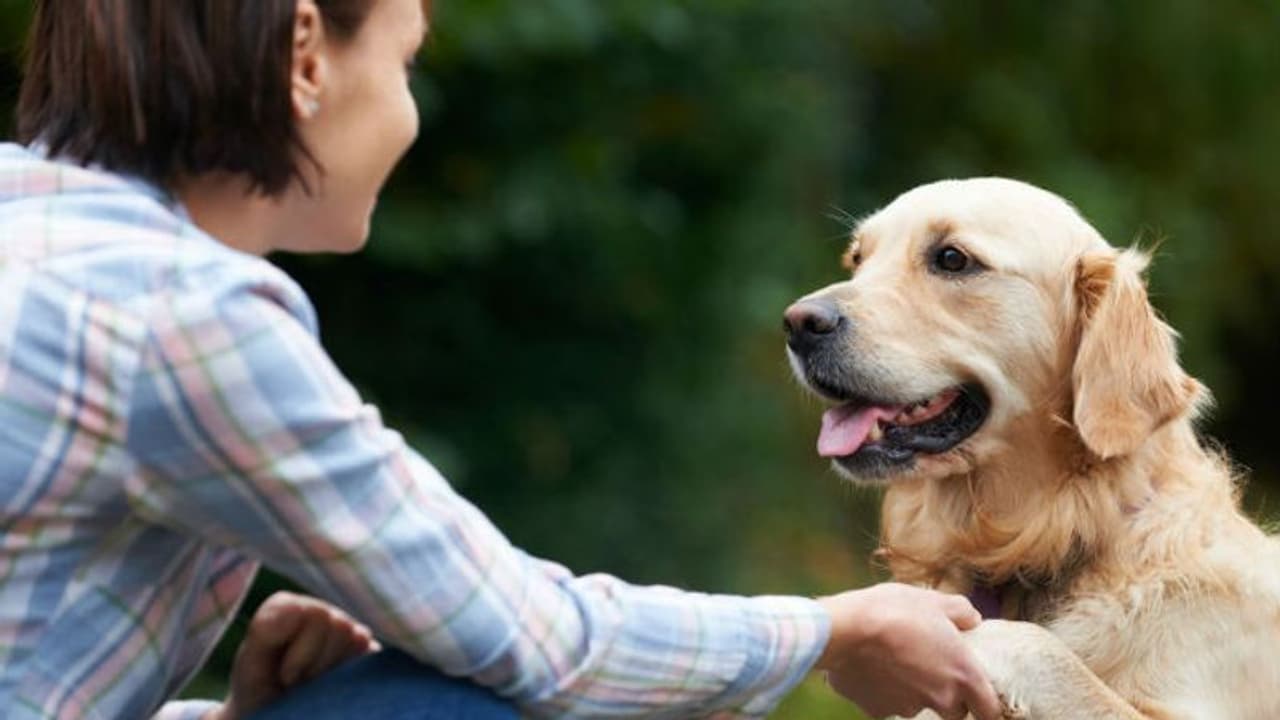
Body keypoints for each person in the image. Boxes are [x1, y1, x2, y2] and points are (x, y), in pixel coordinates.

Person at [0, 1, 1004, 718]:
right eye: (404, 63)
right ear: (306, 53)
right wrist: (835, 631)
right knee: (446, 697)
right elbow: (535, 640)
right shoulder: (187, 319)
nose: (408, 111)